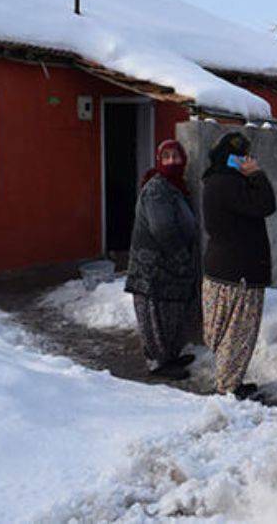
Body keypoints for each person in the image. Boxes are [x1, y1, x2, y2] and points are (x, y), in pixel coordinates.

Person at [200, 132, 276, 399]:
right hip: (239, 271)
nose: (246, 160)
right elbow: (266, 205)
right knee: (238, 332)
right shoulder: (230, 184)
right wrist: (257, 174)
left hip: (220, 268)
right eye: (241, 156)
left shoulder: (212, 181)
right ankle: (228, 387)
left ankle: (227, 380)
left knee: (222, 331)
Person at [125, 140, 199, 381]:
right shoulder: (157, 188)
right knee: (155, 315)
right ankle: (157, 362)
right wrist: (181, 257)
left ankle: (169, 357)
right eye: (165, 157)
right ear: (159, 160)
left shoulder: (176, 187)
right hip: (152, 267)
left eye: (176, 157)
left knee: (169, 315)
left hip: (168, 267)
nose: (171, 162)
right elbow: (163, 228)